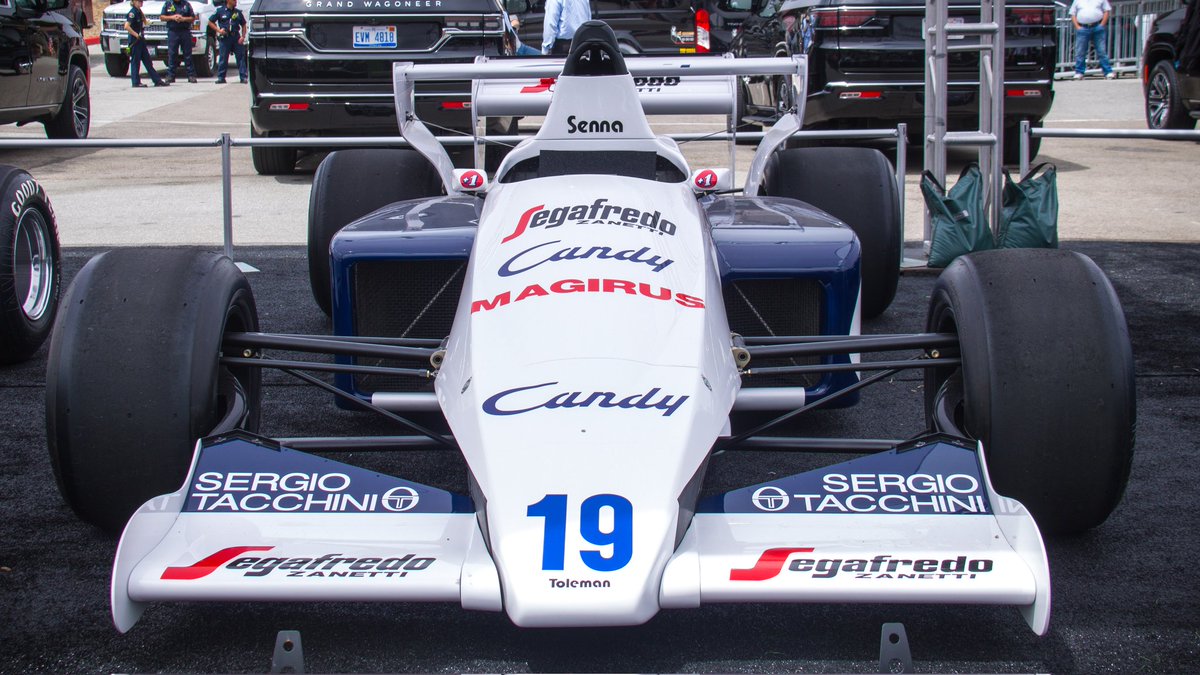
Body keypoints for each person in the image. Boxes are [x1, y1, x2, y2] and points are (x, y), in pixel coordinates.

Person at [124, 0, 169, 88]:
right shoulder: (132, 13)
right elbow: (126, 26)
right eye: (139, 1)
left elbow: (144, 22)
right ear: (134, 1)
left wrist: (149, 22)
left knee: (148, 61)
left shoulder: (139, 11)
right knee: (135, 62)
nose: (141, 2)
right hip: (135, 41)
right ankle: (136, 82)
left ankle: (157, 80)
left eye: (142, 1)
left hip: (141, 41)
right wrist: (136, 35)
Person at [1069, 0, 1115, 80]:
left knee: (1101, 51)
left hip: (1097, 26)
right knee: (1080, 52)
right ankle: (1079, 72)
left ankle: (1108, 72)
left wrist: (1102, 25)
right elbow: (1073, 14)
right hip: (1083, 28)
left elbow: (1106, 11)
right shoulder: (1077, 0)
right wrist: (1077, 27)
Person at [208, 0, 248, 83]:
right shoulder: (220, 11)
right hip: (225, 37)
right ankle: (221, 77)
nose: (236, 1)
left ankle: (243, 77)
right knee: (223, 58)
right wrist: (218, 30)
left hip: (236, 37)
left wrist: (243, 36)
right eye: (234, 0)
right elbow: (210, 22)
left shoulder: (237, 12)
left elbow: (243, 24)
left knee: (241, 58)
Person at [160, 0, 199, 83]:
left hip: (185, 31)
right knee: (172, 54)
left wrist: (183, 19)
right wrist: (172, 17)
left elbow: (192, 18)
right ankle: (171, 76)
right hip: (173, 31)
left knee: (187, 54)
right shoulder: (168, 4)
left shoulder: (186, 4)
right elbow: (162, 17)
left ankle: (191, 75)